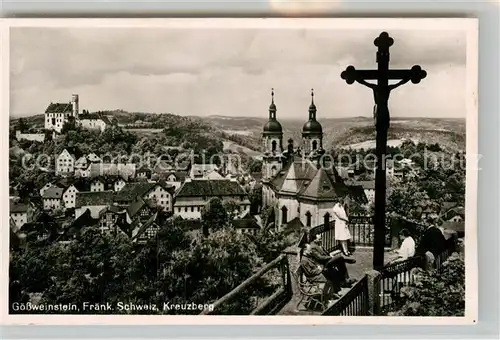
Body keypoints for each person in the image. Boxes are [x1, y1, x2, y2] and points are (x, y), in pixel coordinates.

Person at [300, 234, 356, 302]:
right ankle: (334, 292)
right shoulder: (305, 259)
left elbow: (314, 264)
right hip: (317, 272)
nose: (311, 251)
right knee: (337, 262)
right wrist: (319, 269)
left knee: (336, 266)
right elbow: (311, 271)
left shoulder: (308, 255)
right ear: (305, 251)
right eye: (309, 250)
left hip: (320, 268)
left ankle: (337, 289)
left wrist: (320, 265)